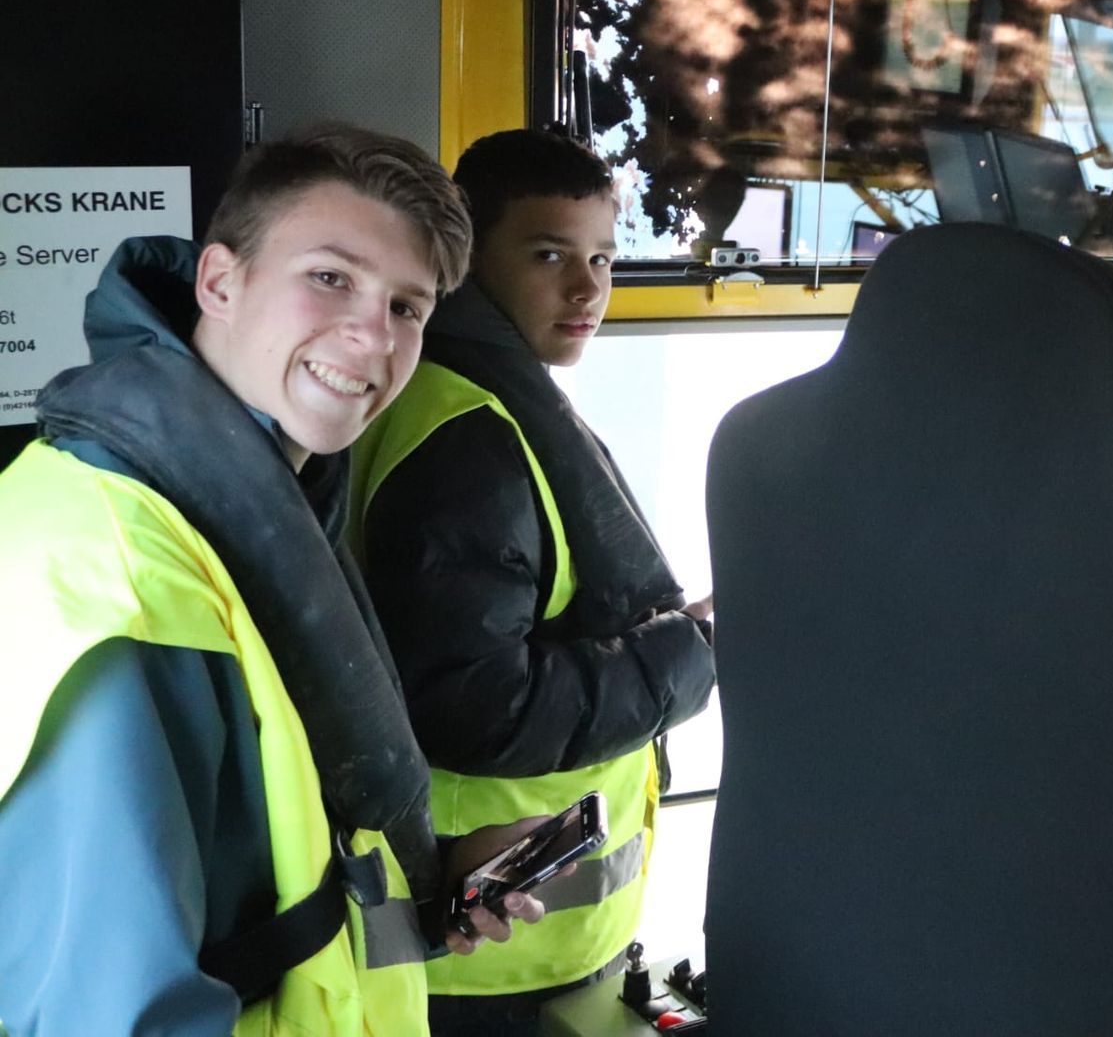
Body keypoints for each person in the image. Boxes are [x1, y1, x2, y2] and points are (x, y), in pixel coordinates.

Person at [0, 126, 556, 1037]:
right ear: (219, 281)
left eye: (408, 307)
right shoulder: (132, 586)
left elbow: (248, 859)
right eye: (330, 278)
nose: (372, 337)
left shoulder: (236, 505)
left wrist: (434, 873)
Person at [349, 128, 717, 1034]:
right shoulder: (471, 441)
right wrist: (692, 651)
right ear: (469, 261)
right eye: (550, 254)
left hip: (512, 942)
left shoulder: (475, 396)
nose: (588, 288)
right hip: (482, 954)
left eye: (602, 256)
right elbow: (476, 704)